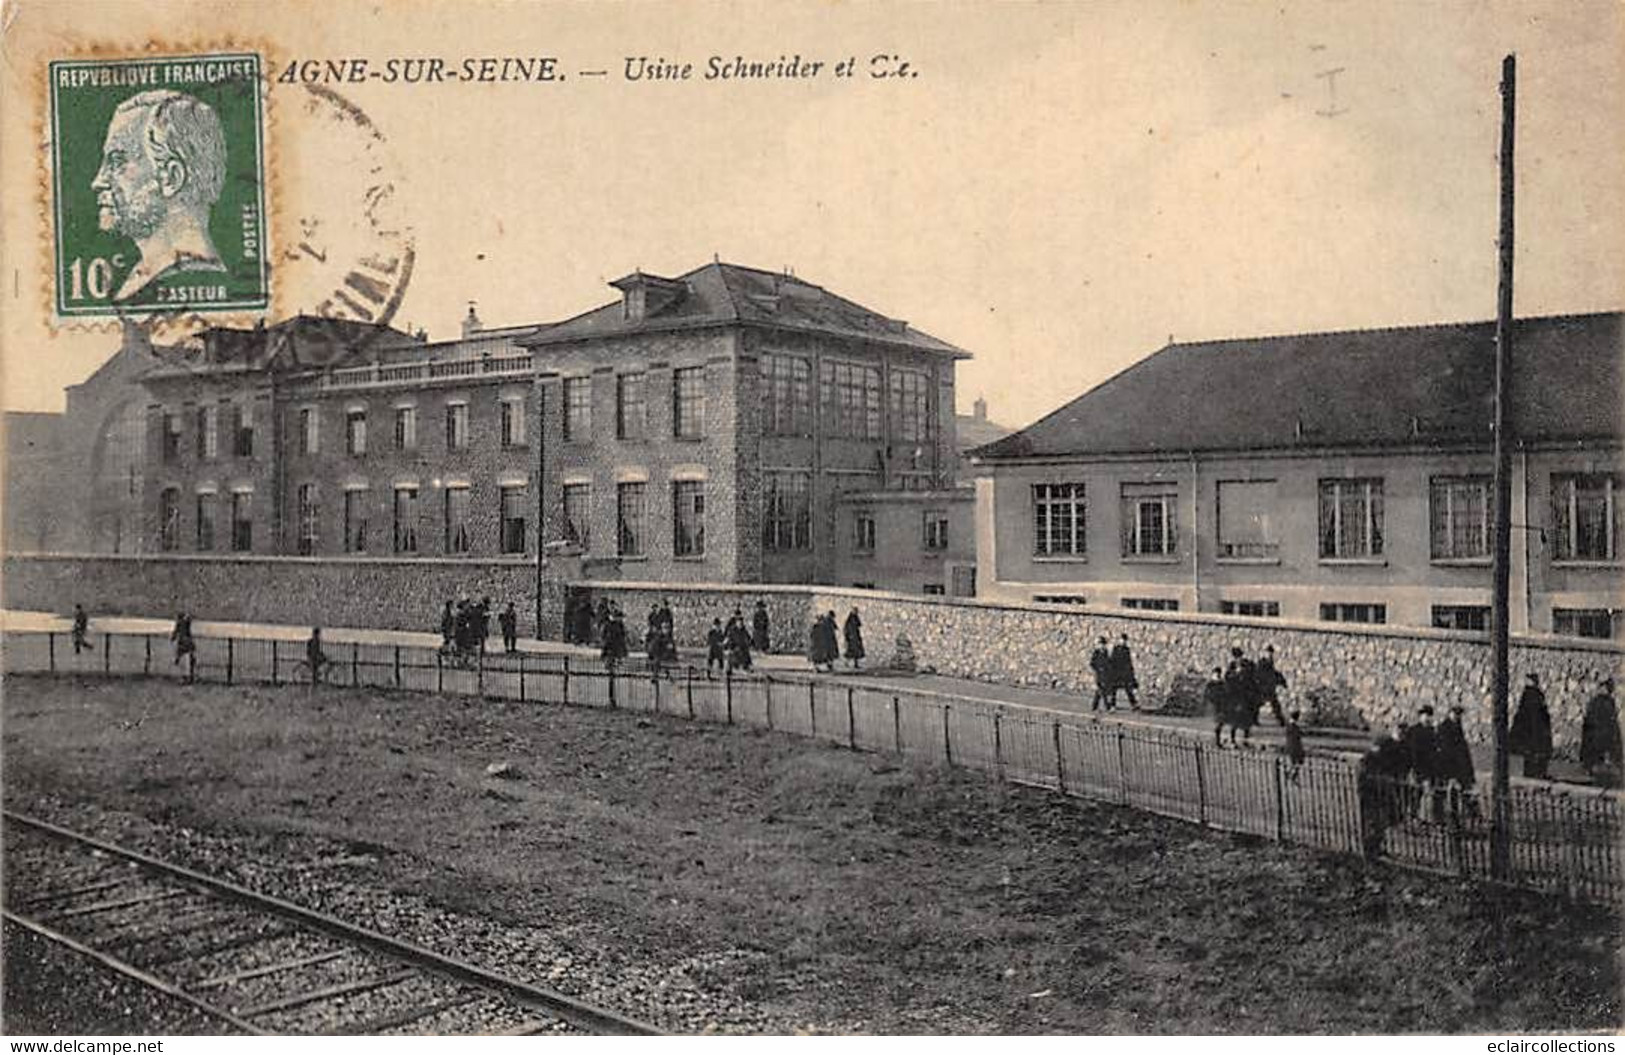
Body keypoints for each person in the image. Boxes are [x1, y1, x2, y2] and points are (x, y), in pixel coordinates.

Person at [90, 90, 230, 303]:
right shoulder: (142, 280)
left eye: (117, 162)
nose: (98, 181)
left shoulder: (186, 279)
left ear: (171, 179)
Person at [1509, 672, 1553, 779]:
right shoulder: (1534, 695)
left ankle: (1532, 774)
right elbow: (1536, 716)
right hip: (1534, 731)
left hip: (1531, 732)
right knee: (1535, 754)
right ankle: (1536, 774)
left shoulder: (1529, 695)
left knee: (1531, 756)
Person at [1435, 704, 1477, 818]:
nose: (1457, 717)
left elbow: (1463, 750)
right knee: (1448, 794)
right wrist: (1451, 774)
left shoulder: (1458, 727)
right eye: (1455, 714)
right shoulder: (1444, 728)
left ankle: (1468, 816)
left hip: (1460, 767)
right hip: (1449, 768)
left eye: (1459, 715)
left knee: (1464, 792)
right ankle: (1449, 818)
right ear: (1450, 713)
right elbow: (1446, 752)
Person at [1580, 678, 1623, 787]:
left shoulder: (1593, 703)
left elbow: (1587, 730)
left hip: (1594, 753)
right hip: (1603, 753)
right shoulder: (1606, 704)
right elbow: (1612, 731)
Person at [1401, 705, 1440, 820]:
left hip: (1428, 768)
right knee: (1414, 794)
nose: (1427, 718)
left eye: (1429, 716)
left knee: (1428, 795)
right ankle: (1411, 817)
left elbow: (1434, 750)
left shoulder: (1432, 731)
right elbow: (1408, 750)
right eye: (1425, 715)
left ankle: (1426, 818)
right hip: (1416, 767)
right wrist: (1410, 767)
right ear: (1420, 716)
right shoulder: (1413, 731)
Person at [1222, 647, 1258, 743]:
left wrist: (1244, 672)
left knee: (1247, 717)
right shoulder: (1232, 666)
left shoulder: (1247, 664)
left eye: (1240, 657)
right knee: (1235, 718)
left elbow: (1252, 676)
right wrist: (1235, 674)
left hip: (1245, 695)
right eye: (1236, 657)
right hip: (1235, 696)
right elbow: (1227, 678)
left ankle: (1246, 738)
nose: (1238, 659)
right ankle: (1232, 738)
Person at [1257, 644, 1288, 726]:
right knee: (1257, 704)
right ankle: (1251, 721)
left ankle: (1281, 720)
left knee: (1275, 704)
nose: (1270, 654)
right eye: (1268, 652)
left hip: (1269, 688)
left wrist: (1281, 681)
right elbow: (1260, 674)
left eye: (1271, 653)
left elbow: (1274, 673)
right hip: (1262, 688)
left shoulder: (1270, 662)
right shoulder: (1262, 663)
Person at [1108, 634, 1139, 710]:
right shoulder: (1116, 649)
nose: (1123, 642)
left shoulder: (1126, 650)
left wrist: (1130, 672)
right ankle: (1112, 705)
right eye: (1122, 640)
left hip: (1124, 673)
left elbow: (1128, 662)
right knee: (1113, 689)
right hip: (1116, 672)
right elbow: (1112, 660)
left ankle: (1133, 704)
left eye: (1124, 640)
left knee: (1128, 688)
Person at [1204, 667, 1229, 746]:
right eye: (1216, 673)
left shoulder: (1222, 682)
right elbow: (1207, 694)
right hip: (1215, 705)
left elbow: (1226, 692)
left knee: (1221, 722)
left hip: (1222, 704)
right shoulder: (1211, 683)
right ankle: (1217, 740)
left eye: (1219, 673)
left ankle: (1218, 739)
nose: (1218, 674)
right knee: (1218, 722)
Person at [1089, 637, 1114, 712]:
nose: (1102, 646)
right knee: (1102, 690)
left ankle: (1094, 706)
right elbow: (1092, 663)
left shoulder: (1105, 652)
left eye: (1103, 644)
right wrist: (1098, 669)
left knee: (1100, 691)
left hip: (1105, 674)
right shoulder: (1096, 653)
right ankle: (1107, 707)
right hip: (1099, 674)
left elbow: (1108, 662)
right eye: (1100, 644)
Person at [1283, 710, 1306, 782]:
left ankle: (1289, 773)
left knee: (1294, 762)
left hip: (1290, 747)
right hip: (1296, 747)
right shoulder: (1294, 726)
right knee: (1299, 762)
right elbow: (1298, 735)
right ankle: (1292, 775)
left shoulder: (1288, 725)